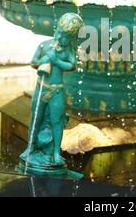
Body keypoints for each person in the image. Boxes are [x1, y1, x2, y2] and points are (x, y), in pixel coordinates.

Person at [21, 13, 83, 169]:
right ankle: (31, 147)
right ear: (57, 30)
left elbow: (72, 65)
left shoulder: (69, 49)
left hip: (57, 91)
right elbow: (33, 62)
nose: (62, 39)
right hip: (41, 88)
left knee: (57, 122)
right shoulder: (44, 45)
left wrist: (56, 61)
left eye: (67, 37)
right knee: (35, 118)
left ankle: (56, 152)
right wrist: (45, 60)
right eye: (61, 34)